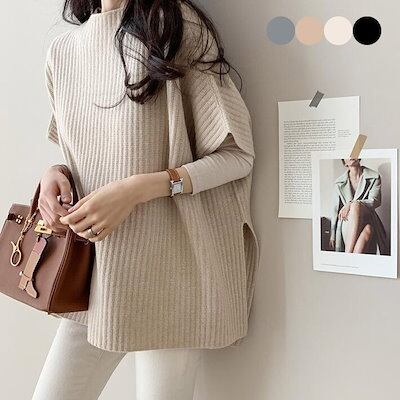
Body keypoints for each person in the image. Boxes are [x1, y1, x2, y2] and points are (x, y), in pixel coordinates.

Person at [32, 0, 260, 399]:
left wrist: (136, 190)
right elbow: (91, 156)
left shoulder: (177, 27)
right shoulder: (63, 52)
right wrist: (57, 173)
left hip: (173, 276)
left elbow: (236, 156)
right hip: (94, 276)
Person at [329, 158, 388, 255]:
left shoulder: (374, 176)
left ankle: (347, 255)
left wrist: (351, 203)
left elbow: (375, 201)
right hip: (347, 222)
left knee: (356, 206)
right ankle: (350, 258)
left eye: (354, 152)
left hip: (367, 217)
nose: (351, 155)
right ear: (344, 162)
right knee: (368, 229)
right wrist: (332, 235)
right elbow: (335, 209)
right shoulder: (338, 182)